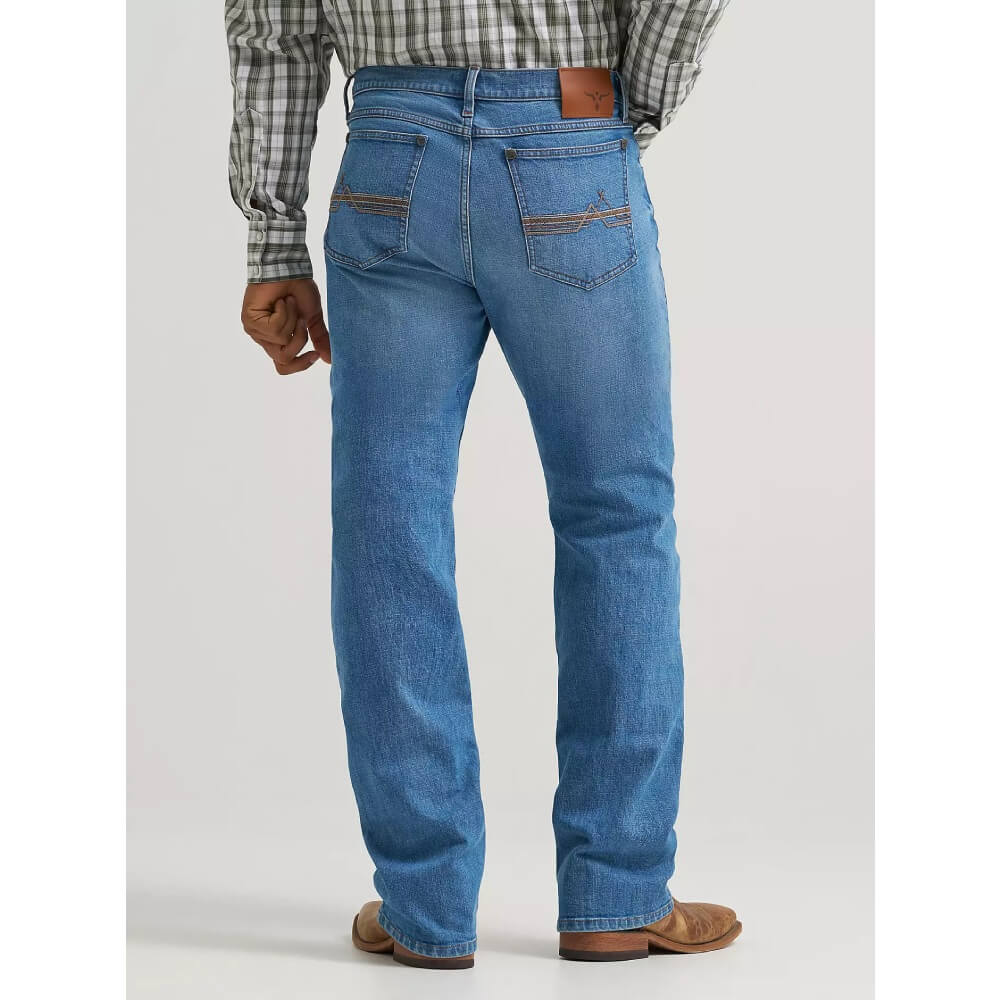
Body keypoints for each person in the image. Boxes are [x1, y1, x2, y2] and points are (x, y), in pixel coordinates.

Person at [226, 0, 740, 969]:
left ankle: (423, 902)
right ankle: (617, 890)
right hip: (569, 131)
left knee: (388, 520)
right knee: (616, 515)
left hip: (391, 151)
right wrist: (623, 109)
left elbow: (275, 24)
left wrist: (272, 237)